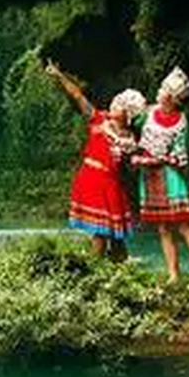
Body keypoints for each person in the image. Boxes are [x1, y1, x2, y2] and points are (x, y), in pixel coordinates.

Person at [44, 60, 148, 259]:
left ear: (127, 115)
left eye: (120, 106)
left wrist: (129, 159)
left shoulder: (129, 139)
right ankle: (97, 267)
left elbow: (130, 170)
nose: (114, 105)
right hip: (92, 179)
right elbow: (78, 96)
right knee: (99, 233)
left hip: (111, 186)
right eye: (116, 102)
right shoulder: (98, 118)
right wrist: (59, 76)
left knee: (117, 238)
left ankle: (115, 268)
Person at [133, 66, 189, 288]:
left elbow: (179, 155)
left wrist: (152, 160)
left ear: (172, 98)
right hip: (149, 176)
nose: (158, 92)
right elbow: (130, 127)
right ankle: (173, 274)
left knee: (184, 226)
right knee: (163, 228)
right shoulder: (148, 113)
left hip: (170, 176)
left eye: (163, 90)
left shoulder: (180, 122)